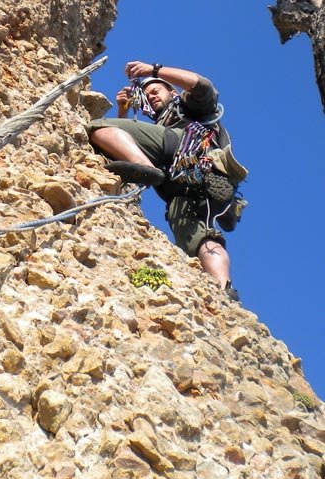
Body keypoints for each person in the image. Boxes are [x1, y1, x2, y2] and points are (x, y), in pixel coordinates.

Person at [88, 60, 246, 301]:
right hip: (184, 189)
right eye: (146, 95)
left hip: (182, 152)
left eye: (156, 91)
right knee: (201, 240)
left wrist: (153, 71)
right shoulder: (162, 124)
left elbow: (202, 86)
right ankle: (224, 290)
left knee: (98, 126)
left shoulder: (188, 108)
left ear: (172, 91)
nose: (151, 97)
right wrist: (123, 110)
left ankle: (145, 167)